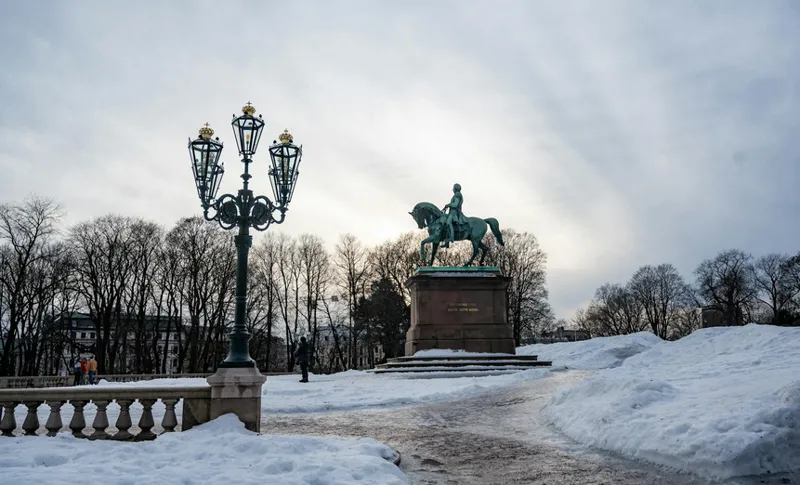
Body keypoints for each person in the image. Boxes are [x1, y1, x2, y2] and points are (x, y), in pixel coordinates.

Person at [441, 183, 466, 248]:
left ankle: (451, 238)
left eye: (453, 188)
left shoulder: (457, 195)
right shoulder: (456, 195)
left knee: (448, 223)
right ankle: (447, 242)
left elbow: (455, 204)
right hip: (452, 212)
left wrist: (448, 205)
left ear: (455, 188)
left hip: (454, 213)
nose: (452, 189)